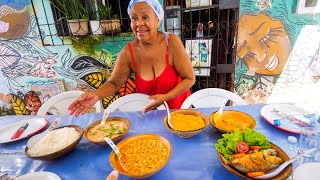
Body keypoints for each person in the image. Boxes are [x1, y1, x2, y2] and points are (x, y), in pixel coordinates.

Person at [68, 0, 195, 117]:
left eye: (145, 17)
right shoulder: (128, 53)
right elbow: (114, 83)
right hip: (150, 116)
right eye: (134, 18)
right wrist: (97, 94)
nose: (139, 23)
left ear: (157, 20)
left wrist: (166, 97)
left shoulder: (171, 43)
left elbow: (189, 79)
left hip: (180, 113)